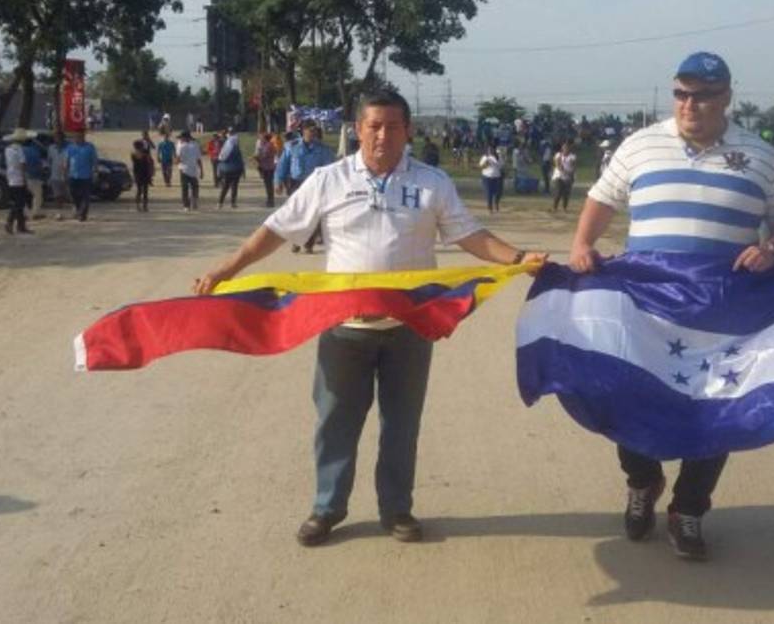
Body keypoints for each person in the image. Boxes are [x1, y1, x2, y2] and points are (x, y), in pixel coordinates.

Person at [192, 89, 547, 546]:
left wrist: (518, 258)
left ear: (408, 131)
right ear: (358, 129)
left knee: (402, 423)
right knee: (335, 420)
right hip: (345, 329)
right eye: (373, 126)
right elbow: (277, 231)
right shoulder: (329, 179)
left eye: (393, 126)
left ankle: (397, 509)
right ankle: (327, 507)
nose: (383, 135)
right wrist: (227, 268)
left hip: (408, 329)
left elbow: (469, 235)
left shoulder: (432, 182)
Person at [568, 51, 774, 561]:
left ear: (727, 98)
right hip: (647, 305)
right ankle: (643, 480)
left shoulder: (762, 155)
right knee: (628, 397)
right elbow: (602, 197)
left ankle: (689, 508)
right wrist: (583, 244)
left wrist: (773, 248)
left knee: (715, 409)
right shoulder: (640, 144)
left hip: (722, 311)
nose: (689, 104)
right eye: (681, 93)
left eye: (702, 94)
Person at [274, 122, 334, 253]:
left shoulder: (323, 149)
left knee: (313, 214)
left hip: (315, 185)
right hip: (296, 184)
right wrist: (278, 181)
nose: (312, 133)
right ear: (303, 131)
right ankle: (296, 240)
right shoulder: (291, 147)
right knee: (296, 214)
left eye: (314, 130)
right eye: (309, 130)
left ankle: (309, 243)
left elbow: (330, 168)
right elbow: (282, 165)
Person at [3, 129, 33, 234]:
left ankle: (21, 226)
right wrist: (25, 179)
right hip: (19, 179)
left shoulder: (7, 149)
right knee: (19, 204)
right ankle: (10, 221)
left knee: (19, 203)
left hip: (10, 177)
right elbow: (22, 165)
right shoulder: (19, 150)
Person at [66, 131, 99, 221]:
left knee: (85, 196)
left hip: (86, 176)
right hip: (73, 175)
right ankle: (78, 209)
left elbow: (94, 161)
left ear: (83, 137)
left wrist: (96, 172)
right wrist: (65, 173)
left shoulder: (90, 147)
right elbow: (67, 161)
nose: (77, 138)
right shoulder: (70, 147)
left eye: (79, 136)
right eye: (76, 137)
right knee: (74, 195)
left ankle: (82, 214)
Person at [216, 129, 245, 209]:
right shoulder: (236, 149)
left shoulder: (226, 147)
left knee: (225, 186)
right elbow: (240, 160)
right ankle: (233, 203)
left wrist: (220, 170)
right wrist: (243, 170)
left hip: (226, 170)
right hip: (236, 170)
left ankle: (220, 203)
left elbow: (221, 158)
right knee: (234, 187)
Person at [175, 131, 203, 211]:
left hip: (184, 170)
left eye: (181, 138)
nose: (180, 139)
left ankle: (186, 206)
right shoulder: (195, 145)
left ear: (185, 138)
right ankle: (194, 202)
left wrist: (175, 161)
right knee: (195, 187)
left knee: (185, 188)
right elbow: (198, 159)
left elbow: (178, 160)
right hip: (194, 170)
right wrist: (202, 170)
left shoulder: (181, 146)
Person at [22, 133, 47, 219]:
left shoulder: (20, 150)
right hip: (34, 176)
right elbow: (39, 163)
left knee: (23, 196)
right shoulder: (34, 151)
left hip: (22, 176)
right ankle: (35, 213)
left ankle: (24, 212)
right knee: (37, 195)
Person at [46, 131, 70, 220]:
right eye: (56, 138)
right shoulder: (51, 148)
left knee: (69, 195)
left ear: (63, 139)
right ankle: (59, 213)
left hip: (67, 175)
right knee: (57, 196)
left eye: (59, 138)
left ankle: (76, 211)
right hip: (55, 175)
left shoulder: (69, 148)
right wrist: (49, 175)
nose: (57, 140)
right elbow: (49, 162)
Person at [131, 137, 155, 212]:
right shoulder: (145, 154)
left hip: (137, 174)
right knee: (145, 191)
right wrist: (151, 173)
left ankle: (138, 206)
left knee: (139, 190)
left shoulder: (133, 154)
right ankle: (145, 206)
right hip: (145, 173)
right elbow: (149, 163)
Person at [551, 141, 576, 212]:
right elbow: (558, 165)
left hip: (568, 176)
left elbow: (573, 166)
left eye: (567, 148)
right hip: (558, 176)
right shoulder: (558, 155)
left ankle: (565, 207)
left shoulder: (572, 156)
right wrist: (565, 171)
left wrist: (571, 175)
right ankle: (554, 207)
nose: (566, 149)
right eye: (564, 148)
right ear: (562, 148)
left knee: (566, 193)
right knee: (558, 191)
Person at [254, 132, 278, 207]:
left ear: (266, 138)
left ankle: (270, 201)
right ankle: (270, 200)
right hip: (269, 167)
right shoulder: (269, 145)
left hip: (267, 167)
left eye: (262, 138)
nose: (261, 139)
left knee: (268, 185)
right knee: (269, 185)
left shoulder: (268, 146)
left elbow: (264, 156)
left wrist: (257, 158)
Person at [478, 146, 503, 213]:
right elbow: (481, 166)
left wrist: (497, 160)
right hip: (487, 177)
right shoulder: (485, 157)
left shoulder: (498, 157)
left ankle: (496, 203)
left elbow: (501, 166)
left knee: (498, 193)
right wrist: (486, 164)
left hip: (497, 177)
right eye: (489, 150)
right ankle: (490, 208)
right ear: (487, 151)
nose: (491, 151)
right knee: (489, 193)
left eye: (492, 150)